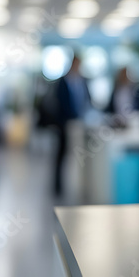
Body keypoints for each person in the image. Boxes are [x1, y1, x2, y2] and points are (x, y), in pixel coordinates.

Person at [52, 56, 90, 195]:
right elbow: (59, 103)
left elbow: (87, 99)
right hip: (64, 124)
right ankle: (57, 186)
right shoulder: (63, 81)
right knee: (61, 155)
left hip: (80, 123)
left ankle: (80, 185)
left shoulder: (83, 81)